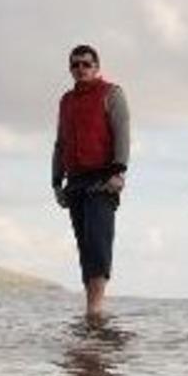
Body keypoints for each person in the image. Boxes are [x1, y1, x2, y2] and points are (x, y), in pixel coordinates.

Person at [52, 44, 130, 317]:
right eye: (75, 65)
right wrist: (55, 181)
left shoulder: (112, 93)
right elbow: (60, 142)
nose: (80, 69)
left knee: (98, 243)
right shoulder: (66, 100)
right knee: (84, 245)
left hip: (103, 180)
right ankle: (91, 309)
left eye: (86, 64)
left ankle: (96, 309)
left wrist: (119, 171)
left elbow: (122, 132)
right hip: (74, 181)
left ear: (96, 67)